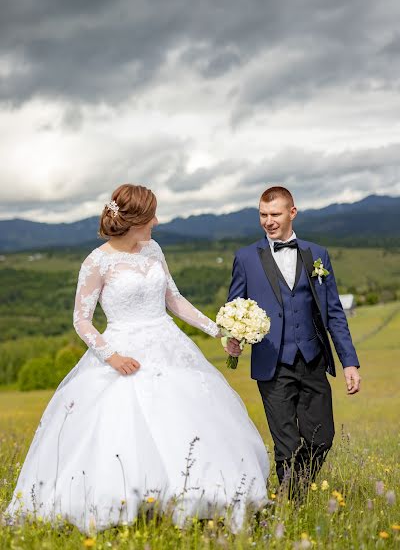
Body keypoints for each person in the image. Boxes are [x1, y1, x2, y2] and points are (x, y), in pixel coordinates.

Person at [6, 184, 269, 533]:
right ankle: (129, 503)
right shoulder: (97, 261)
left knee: (187, 420)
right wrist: (110, 357)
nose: (157, 222)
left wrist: (217, 330)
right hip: (123, 349)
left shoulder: (153, 249)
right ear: (134, 220)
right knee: (124, 426)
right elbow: (81, 320)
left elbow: (173, 300)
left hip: (168, 345)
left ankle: (200, 498)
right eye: (152, 216)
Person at [225, 186, 360, 493]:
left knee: (322, 438)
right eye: (263, 214)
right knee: (287, 444)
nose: (268, 221)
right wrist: (233, 340)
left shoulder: (317, 255)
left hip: (312, 360)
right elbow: (235, 309)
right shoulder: (245, 258)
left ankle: (290, 492)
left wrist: (349, 362)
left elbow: (335, 313)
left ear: (292, 213)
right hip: (272, 364)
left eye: (275, 214)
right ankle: (291, 505)